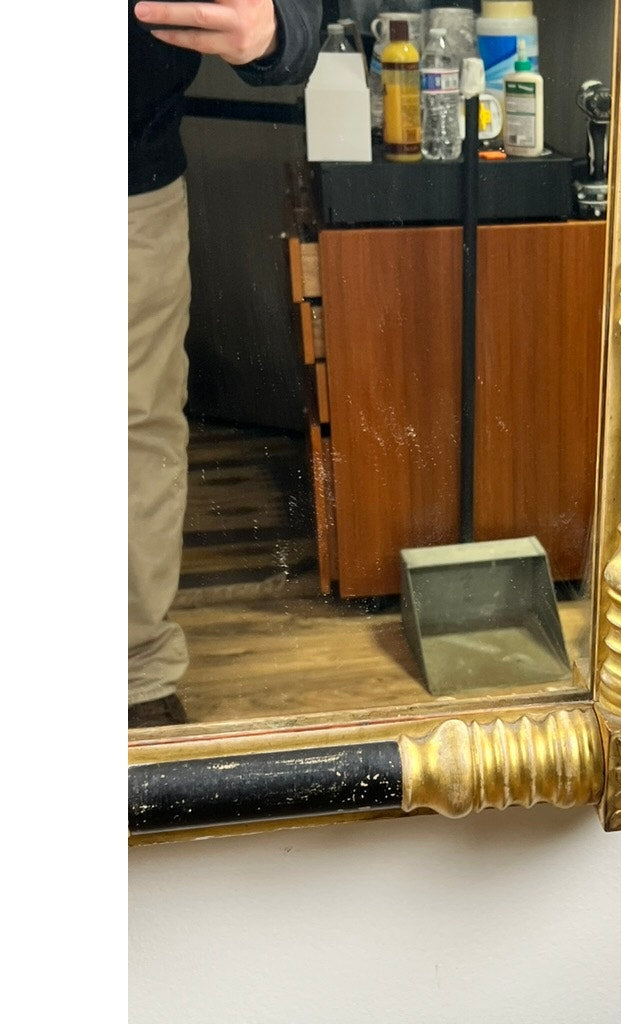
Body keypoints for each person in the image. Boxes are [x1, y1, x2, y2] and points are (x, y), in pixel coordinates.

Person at [129, 0, 323, 727]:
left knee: (131, 432)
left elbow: (300, 16)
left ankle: (131, 676)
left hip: (124, 181)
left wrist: (277, 26)